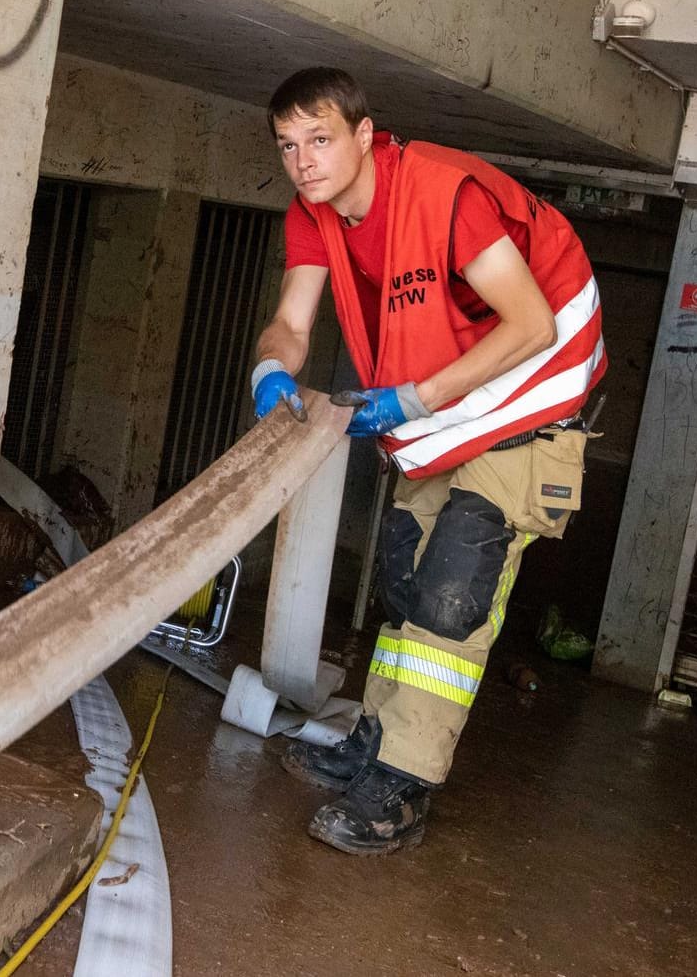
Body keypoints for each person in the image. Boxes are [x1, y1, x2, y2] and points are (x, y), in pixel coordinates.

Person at [248, 67, 605, 855]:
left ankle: (406, 784)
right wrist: (270, 367)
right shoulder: (313, 216)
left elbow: (533, 324)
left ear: (365, 134)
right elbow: (290, 323)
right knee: (407, 578)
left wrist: (411, 400)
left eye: (320, 138)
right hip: (449, 403)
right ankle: (375, 739)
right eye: (288, 146)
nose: (304, 160)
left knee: (453, 591)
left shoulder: (445, 196)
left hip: (530, 394)